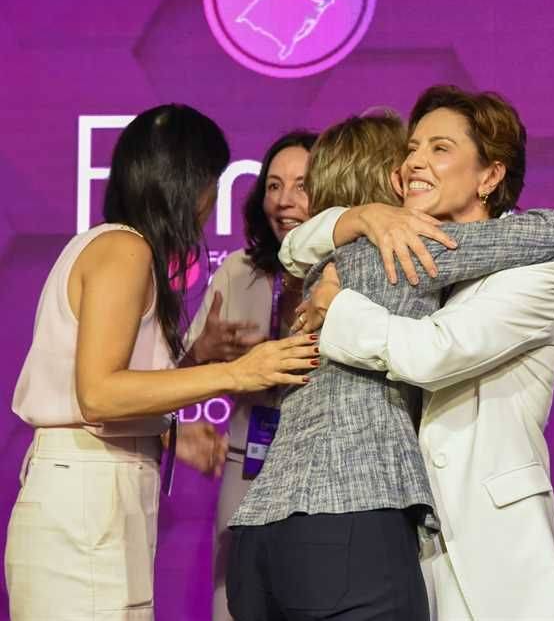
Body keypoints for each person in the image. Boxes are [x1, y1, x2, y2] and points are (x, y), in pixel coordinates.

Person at [225, 110, 554, 621]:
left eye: (439, 148)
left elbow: (433, 352)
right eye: (411, 149)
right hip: (373, 523)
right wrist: (363, 217)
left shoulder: (533, 274)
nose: (416, 161)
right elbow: (295, 246)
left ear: (489, 175)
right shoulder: (394, 246)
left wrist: (338, 304)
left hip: (479, 538)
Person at [4, 104, 318, 621]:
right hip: (87, 497)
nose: (212, 201)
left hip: (99, 493)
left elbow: (116, 382)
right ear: (185, 183)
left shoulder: (119, 248)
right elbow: (98, 395)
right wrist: (237, 372)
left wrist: (194, 366)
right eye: (212, 180)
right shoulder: (123, 250)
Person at [182, 130, 317, 621]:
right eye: (273, 186)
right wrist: (203, 353)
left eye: (301, 185)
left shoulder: (350, 271)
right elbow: (181, 373)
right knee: (235, 604)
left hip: (321, 472)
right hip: (247, 466)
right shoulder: (238, 271)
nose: (284, 200)